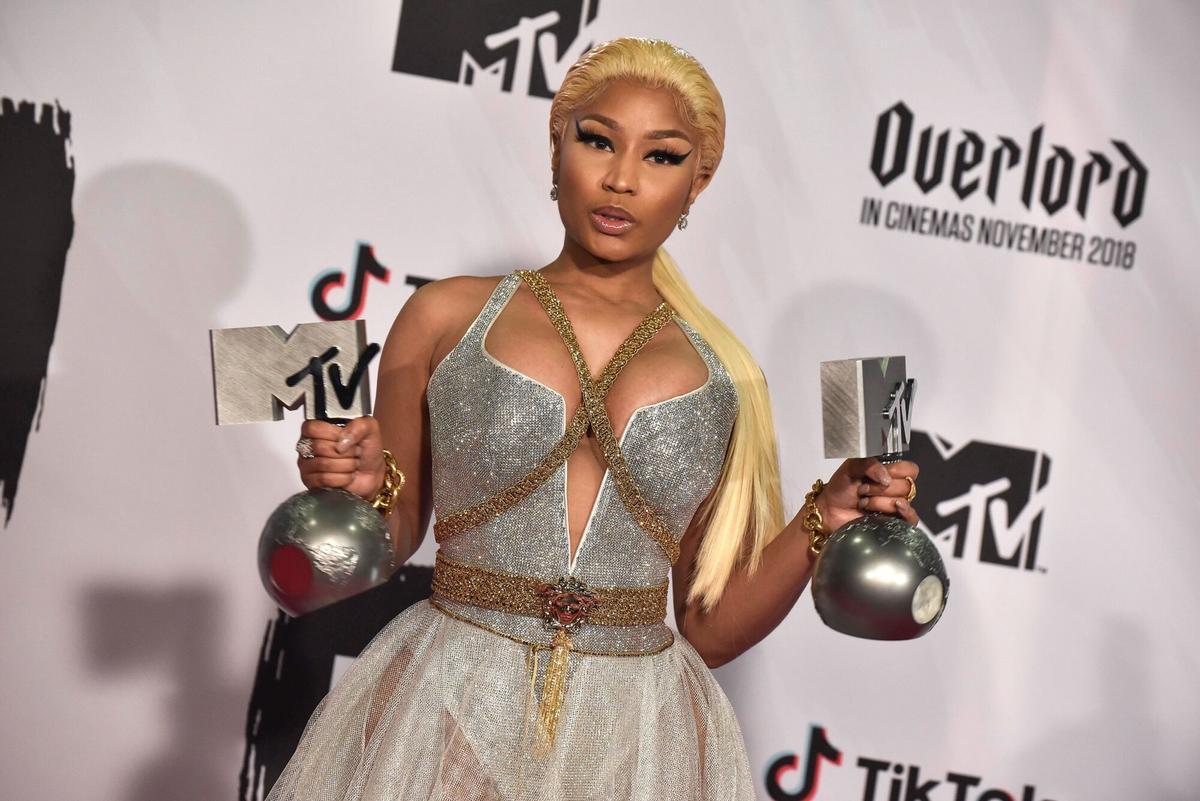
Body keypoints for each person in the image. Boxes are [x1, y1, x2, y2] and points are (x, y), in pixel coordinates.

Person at [272, 37, 919, 801]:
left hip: (631, 737)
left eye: (662, 156)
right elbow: (398, 526)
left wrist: (830, 511)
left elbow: (709, 628)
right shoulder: (445, 315)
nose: (621, 178)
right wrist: (355, 483)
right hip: (452, 700)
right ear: (557, 149)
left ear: (698, 182)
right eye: (597, 139)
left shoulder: (728, 375)